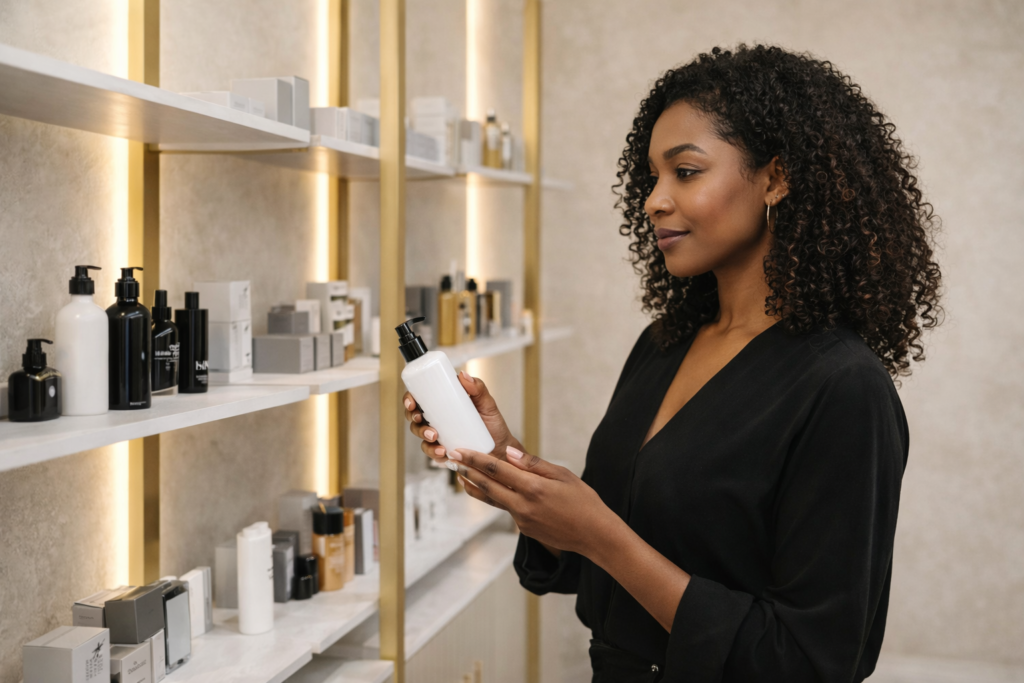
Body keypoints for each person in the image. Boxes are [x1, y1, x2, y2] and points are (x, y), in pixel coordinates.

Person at [404, 44, 942, 682]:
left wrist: (602, 534)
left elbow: (812, 660)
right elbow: (596, 557)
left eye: (685, 172)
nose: (654, 200)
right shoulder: (664, 344)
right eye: (652, 178)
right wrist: (508, 463)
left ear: (775, 178)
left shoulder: (842, 388)